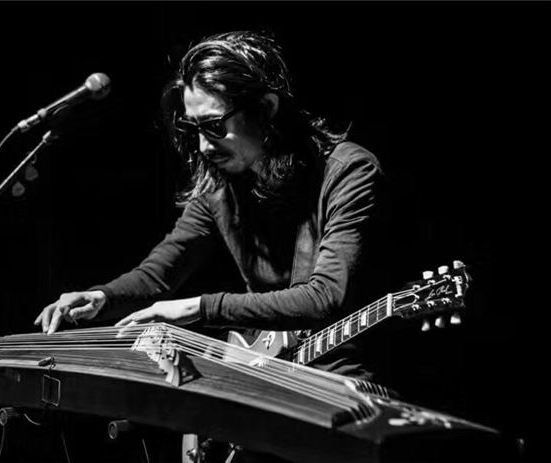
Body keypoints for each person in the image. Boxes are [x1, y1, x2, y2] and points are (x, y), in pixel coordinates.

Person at [34, 30, 387, 381]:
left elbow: (324, 297)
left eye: (215, 125)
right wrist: (102, 296)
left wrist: (198, 307)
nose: (203, 146)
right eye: (195, 129)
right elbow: (160, 273)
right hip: (278, 375)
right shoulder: (222, 188)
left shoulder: (347, 172)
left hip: (348, 372)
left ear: (266, 108)